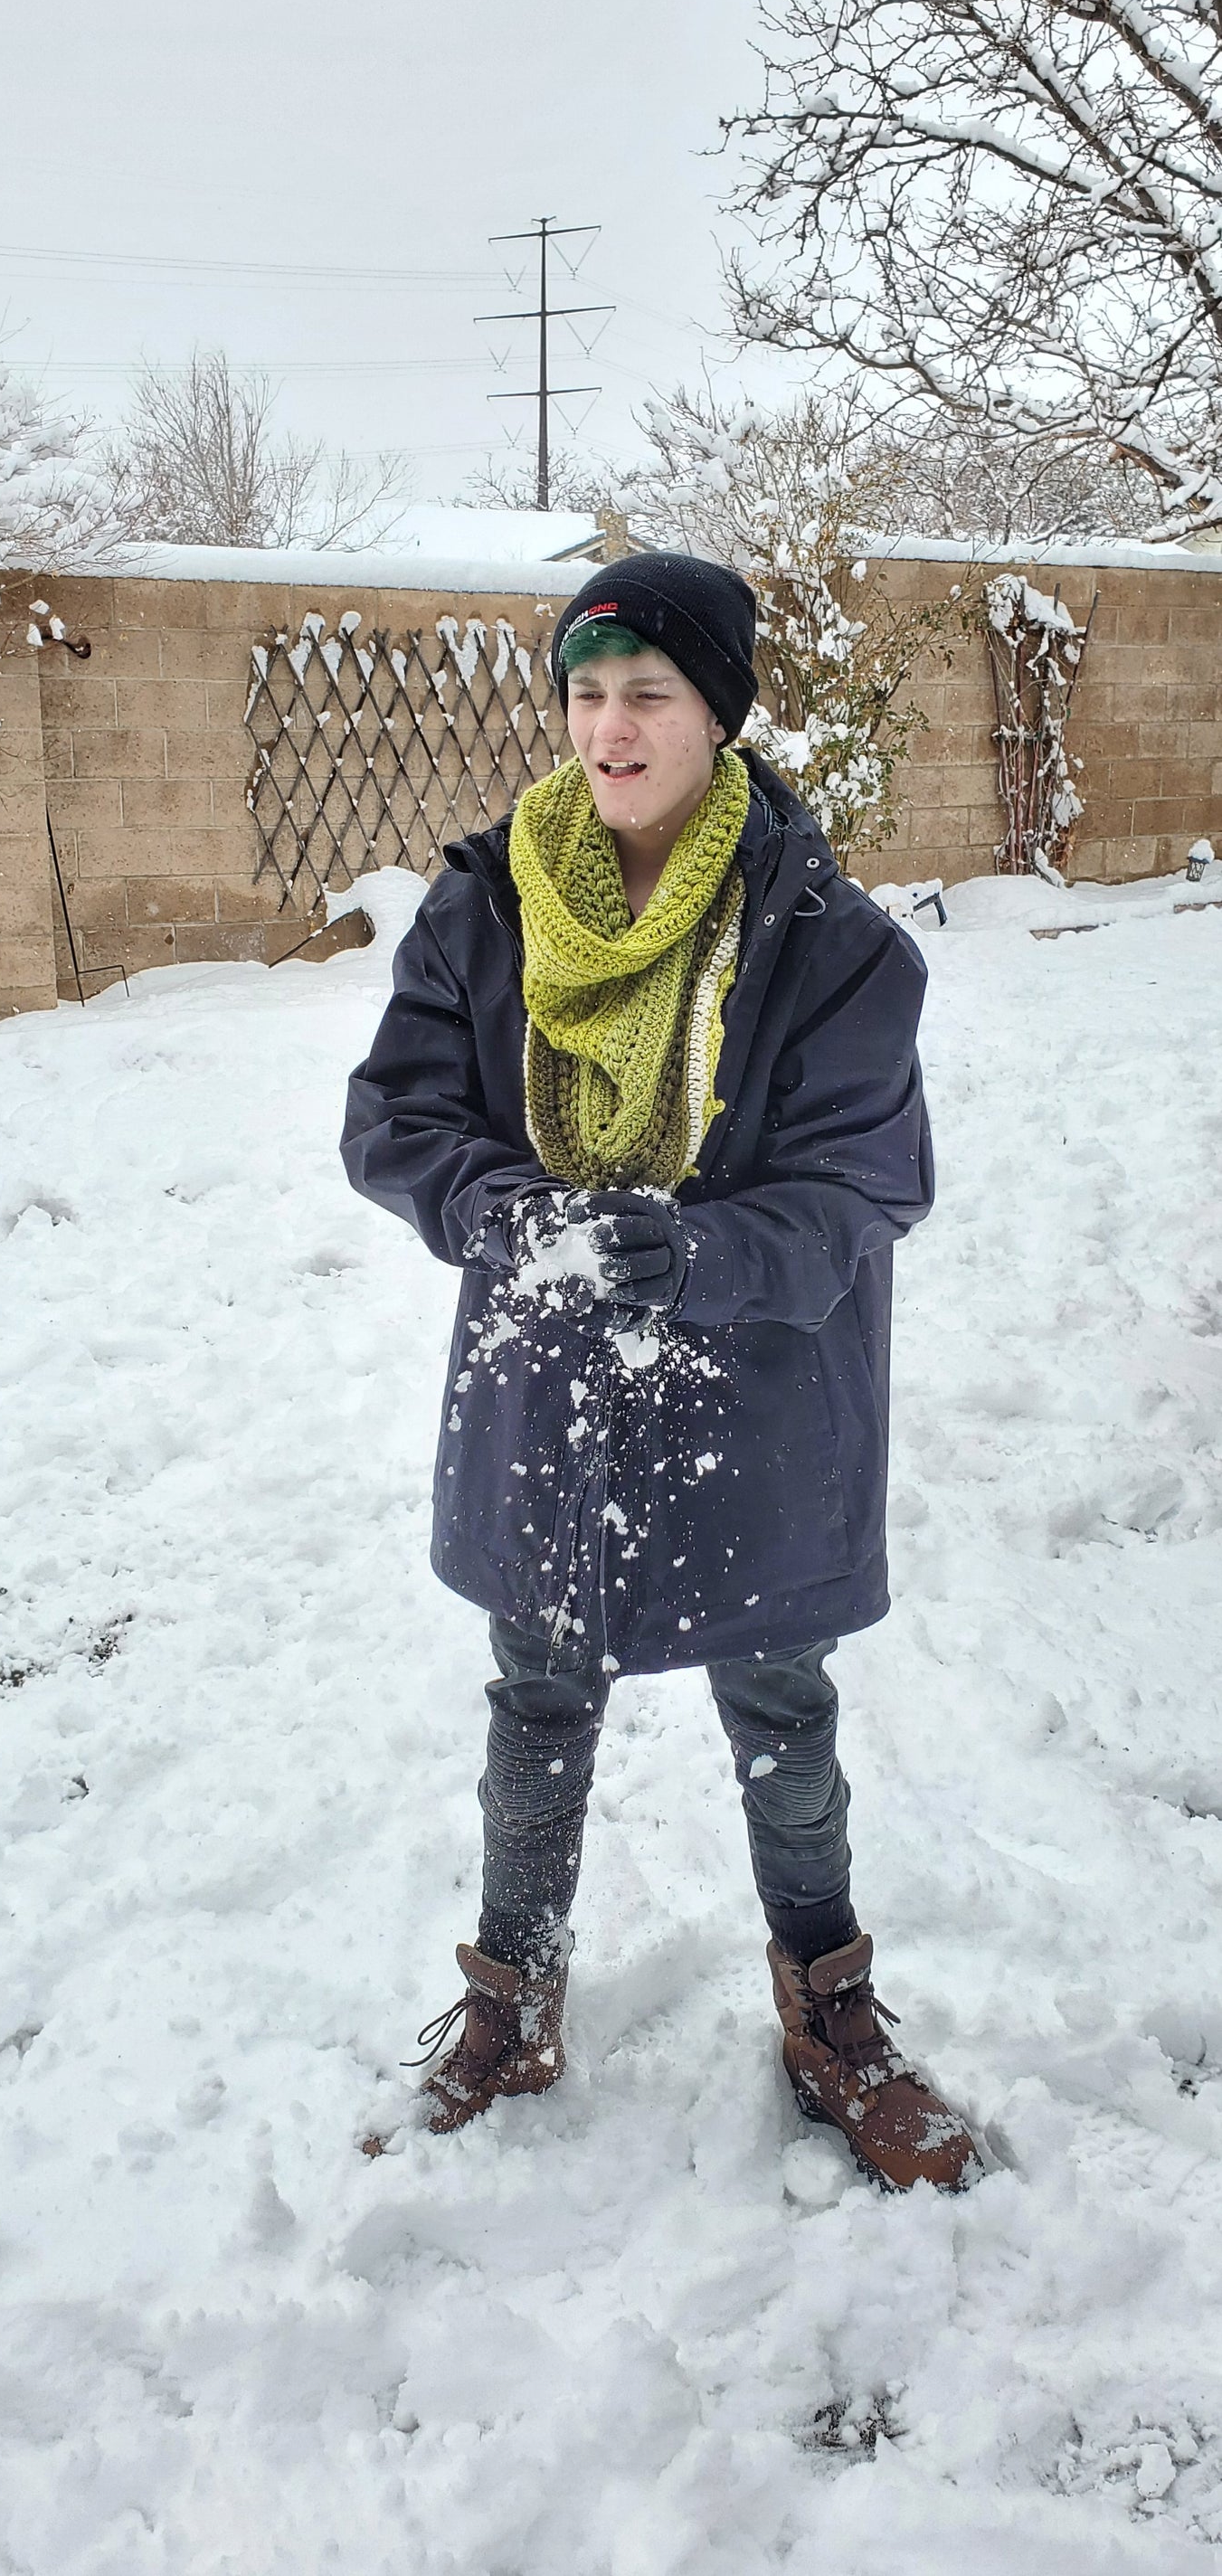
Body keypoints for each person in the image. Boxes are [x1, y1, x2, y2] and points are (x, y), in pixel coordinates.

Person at [340, 552, 978, 2192]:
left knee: (783, 1705)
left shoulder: (828, 941)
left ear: (716, 714)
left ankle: (829, 2011)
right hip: (545, 1374)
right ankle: (512, 1994)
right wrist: (494, 1204)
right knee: (535, 1698)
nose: (607, 725)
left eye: (648, 693)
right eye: (585, 689)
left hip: (754, 1397)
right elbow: (396, 1116)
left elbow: (865, 1183)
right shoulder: (485, 902)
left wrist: (700, 1256)